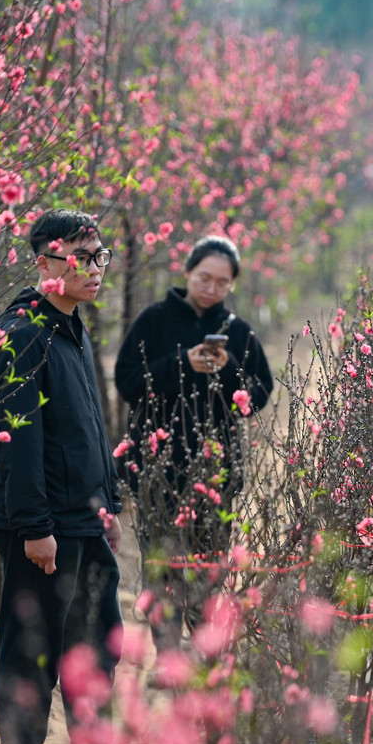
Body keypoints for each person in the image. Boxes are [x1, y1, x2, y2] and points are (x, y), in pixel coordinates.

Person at [0, 209, 126, 744]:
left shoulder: (70, 325)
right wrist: (35, 528)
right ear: (45, 262)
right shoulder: (23, 334)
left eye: (100, 257)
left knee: (95, 646)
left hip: (82, 516)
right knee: (33, 648)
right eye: (82, 258)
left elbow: (89, 425)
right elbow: (18, 442)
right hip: (42, 524)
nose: (95, 270)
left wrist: (108, 504)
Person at [113, 236, 273, 634]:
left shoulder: (237, 331)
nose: (212, 289)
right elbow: (127, 382)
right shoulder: (152, 321)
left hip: (215, 473)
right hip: (157, 471)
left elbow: (258, 395)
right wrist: (179, 364)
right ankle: (168, 658)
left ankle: (204, 660)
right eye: (204, 278)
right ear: (187, 273)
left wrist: (229, 366)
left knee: (209, 572)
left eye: (222, 283)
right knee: (162, 569)